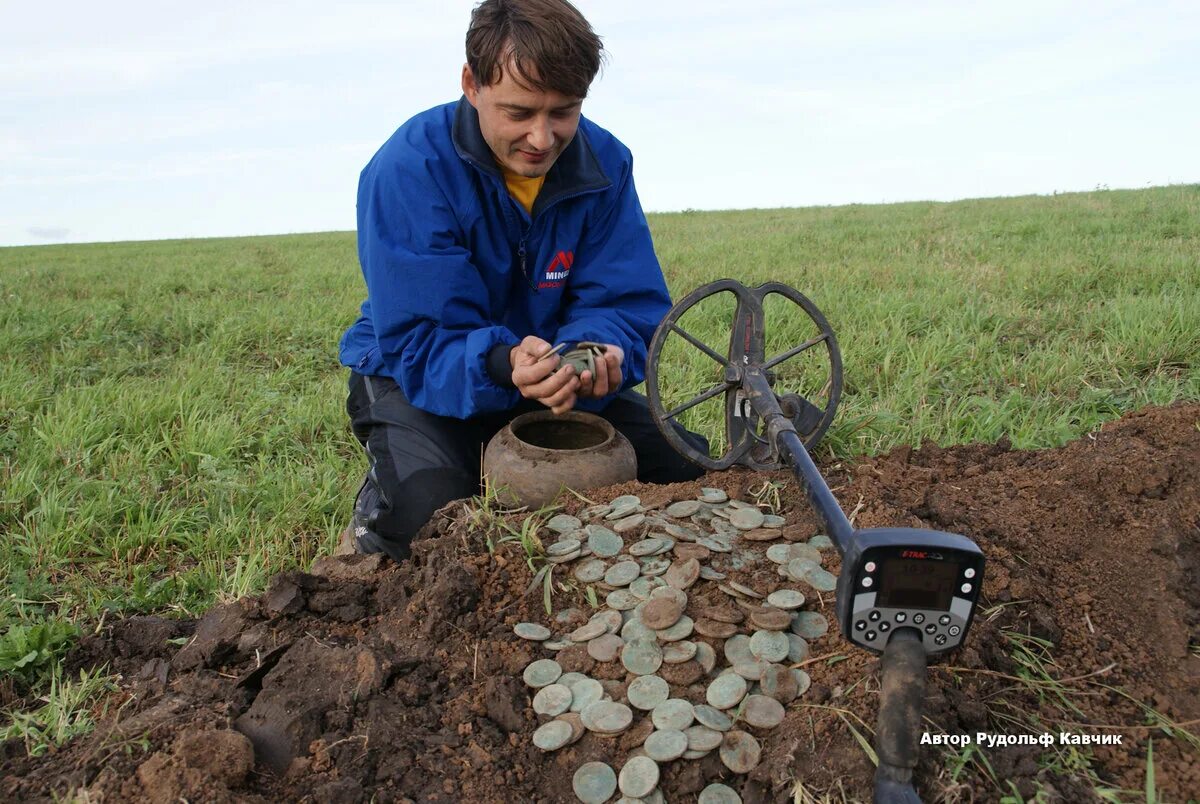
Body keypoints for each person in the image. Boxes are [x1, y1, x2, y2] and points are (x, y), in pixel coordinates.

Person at [337, 0, 708, 561]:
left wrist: (593, 354)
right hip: (413, 373)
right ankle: (378, 512)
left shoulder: (605, 163)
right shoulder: (408, 169)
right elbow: (420, 338)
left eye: (564, 111)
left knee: (686, 468)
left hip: (551, 372)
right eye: (519, 112)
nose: (542, 137)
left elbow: (625, 302)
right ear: (472, 83)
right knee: (431, 512)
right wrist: (504, 364)